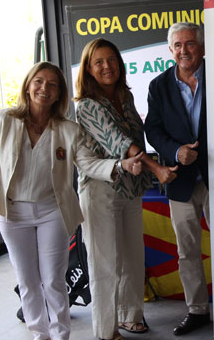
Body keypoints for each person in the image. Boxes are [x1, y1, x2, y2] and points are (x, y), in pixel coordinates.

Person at [0, 62, 143, 340]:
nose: (44, 88)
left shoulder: (68, 129)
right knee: (28, 281)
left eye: (52, 84)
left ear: (59, 94)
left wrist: (120, 165)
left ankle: (61, 334)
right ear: (28, 86)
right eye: (39, 81)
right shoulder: (4, 120)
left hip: (52, 211)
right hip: (12, 213)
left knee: (54, 280)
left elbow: (88, 163)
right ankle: (40, 334)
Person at [74, 38, 178, 340]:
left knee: (132, 257)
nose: (107, 67)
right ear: (89, 69)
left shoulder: (125, 96)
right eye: (99, 62)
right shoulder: (87, 106)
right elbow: (118, 142)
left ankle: (131, 316)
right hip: (100, 191)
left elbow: (139, 137)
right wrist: (157, 169)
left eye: (111, 60)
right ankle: (106, 331)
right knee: (105, 263)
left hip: (131, 190)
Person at [144, 22, 210, 336]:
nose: (184, 50)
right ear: (171, 50)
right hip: (180, 180)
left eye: (190, 43)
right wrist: (175, 150)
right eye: (177, 45)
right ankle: (197, 310)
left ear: (202, 46)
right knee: (187, 250)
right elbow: (153, 130)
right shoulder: (158, 86)